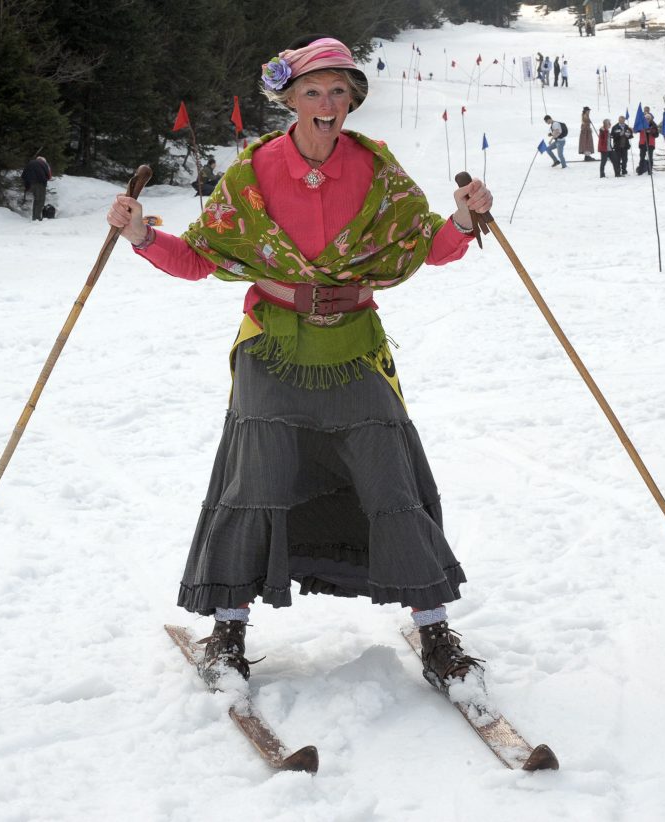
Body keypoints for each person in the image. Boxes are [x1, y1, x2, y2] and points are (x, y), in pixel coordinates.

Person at [106, 36, 494, 690]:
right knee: (255, 485)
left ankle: (436, 634)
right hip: (273, 344)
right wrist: (142, 234)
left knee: (390, 481)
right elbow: (201, 257)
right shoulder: (253, 172)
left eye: (338, 92)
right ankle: (228, 633)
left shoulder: (376, 169)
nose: (326, 103)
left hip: (353, 344)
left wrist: (461, 219)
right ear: (290, 99)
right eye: (313, 91)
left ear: (351, 103)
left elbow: (427, 245)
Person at [21, 155, 52, 221]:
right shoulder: (45, 164)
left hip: (30, 184)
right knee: (40, 200)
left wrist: (27, 185)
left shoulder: (30, 163)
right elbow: (49, 176)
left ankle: (34, 217)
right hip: (39, 184)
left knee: (36, 200)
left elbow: (23, 175)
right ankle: (37, 218)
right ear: (43, 161)